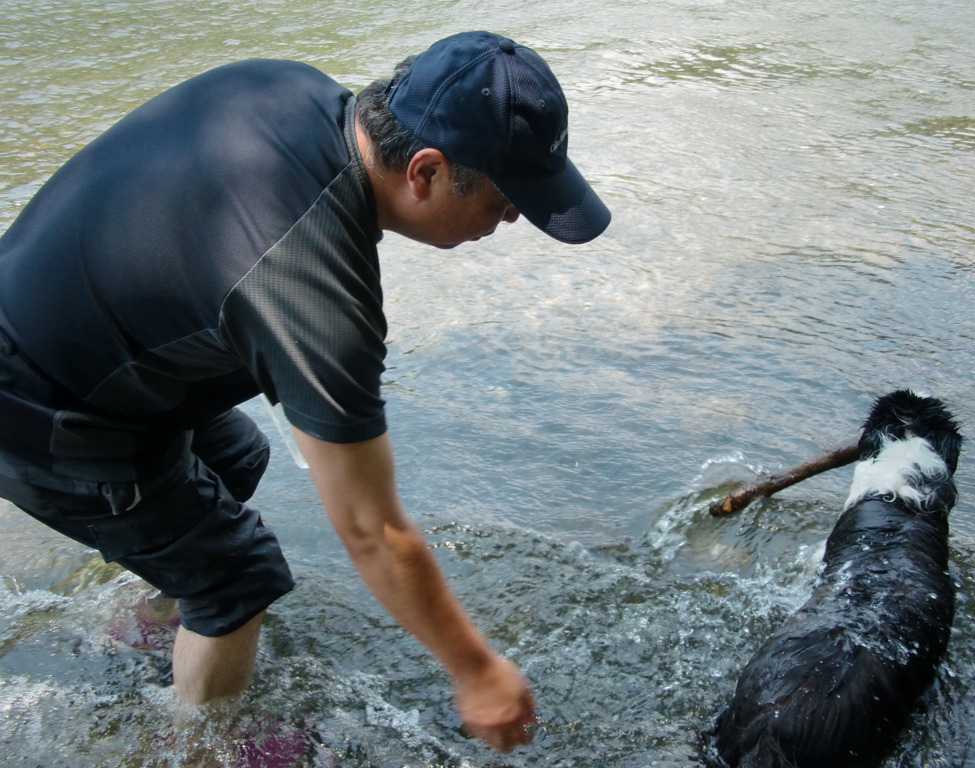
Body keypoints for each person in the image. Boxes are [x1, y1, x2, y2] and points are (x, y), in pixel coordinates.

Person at [0, 31, 610, 752]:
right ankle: (193, 745)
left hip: (61, 337)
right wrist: (476, 670)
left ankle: (147, 625)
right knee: (239, 575)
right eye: (510, 202)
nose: (512, 222)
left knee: (236, 462)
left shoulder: (285, 87)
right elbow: (372, 531)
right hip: (42, 411)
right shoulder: (311, 281)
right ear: (426, 171)